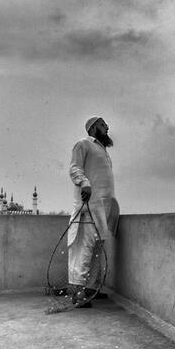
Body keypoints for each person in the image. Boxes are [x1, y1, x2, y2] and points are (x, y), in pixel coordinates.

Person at [65, 116, 119, 306]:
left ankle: (91, 290)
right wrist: (85, 183)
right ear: (94, 127)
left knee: (97, 249)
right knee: (85, 248)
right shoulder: (83, 144)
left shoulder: (103, 150)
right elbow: (74, 168)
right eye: (103, 124)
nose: (107, 127)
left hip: (104, 209)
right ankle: (78, 293)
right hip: (89, 206)